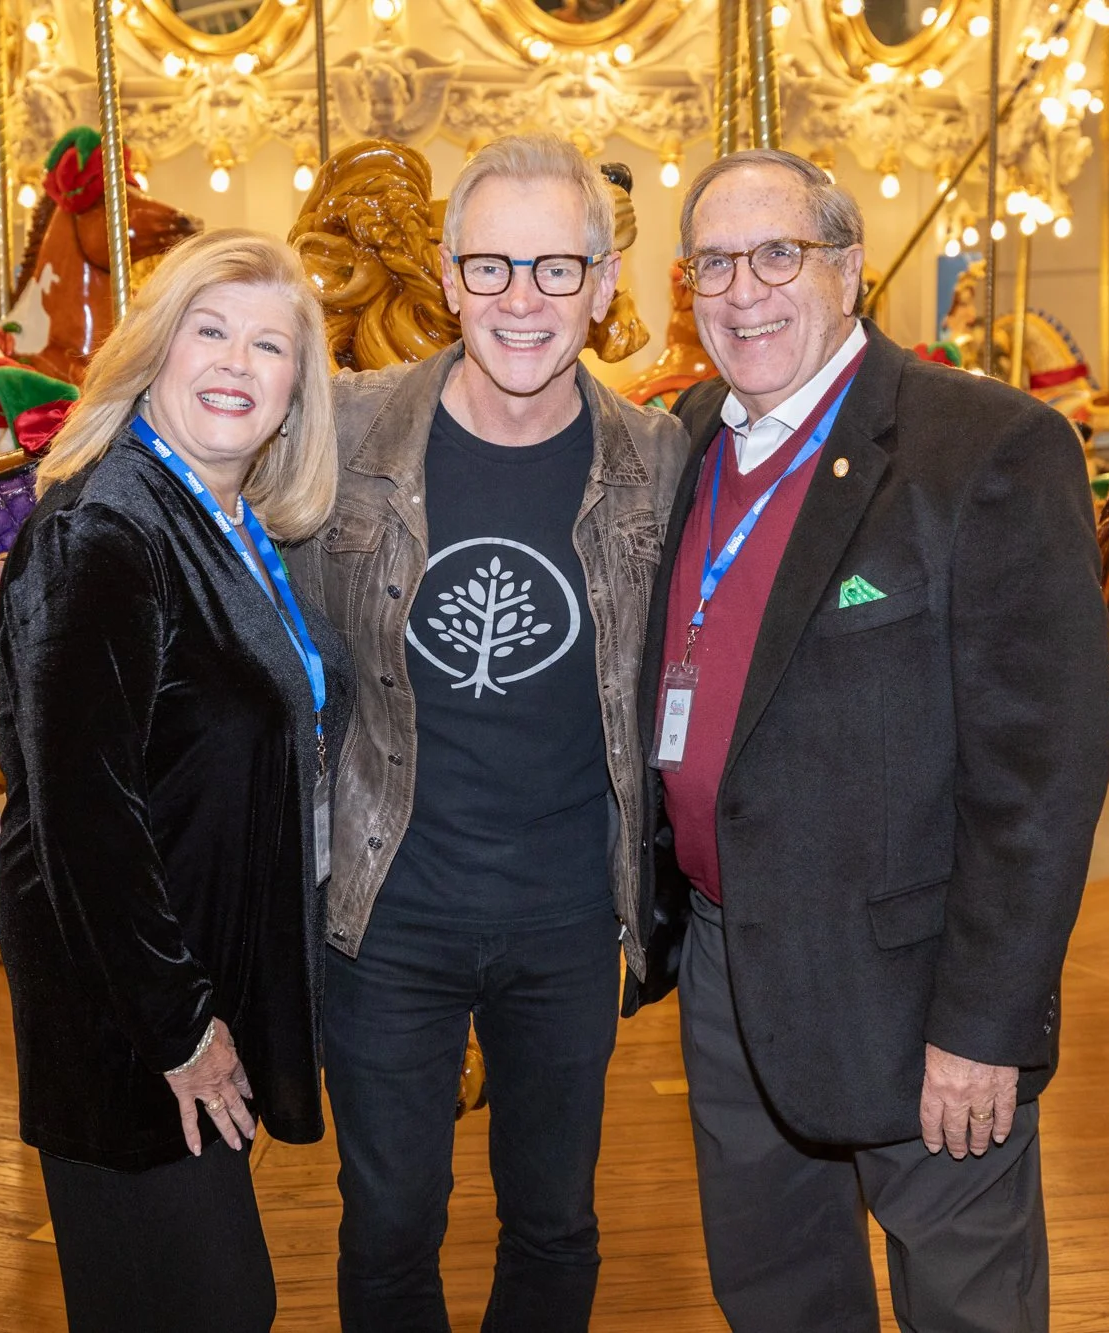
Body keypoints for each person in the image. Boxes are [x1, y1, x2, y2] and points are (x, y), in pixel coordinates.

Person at [634, 149, 1109, 1330]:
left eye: (777, 254)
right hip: (725, 966)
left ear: (848, 269)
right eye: (713, 264)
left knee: (967, 1311)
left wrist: (983, 1026)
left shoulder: (984, 448)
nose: (742, 291)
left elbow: (1037, 781)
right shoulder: (681, 435)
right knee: (776, 1300)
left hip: (914, 999)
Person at [298, 134, 687, 1332]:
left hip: (569, 918)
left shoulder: (658, 459)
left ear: (604, 283)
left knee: (555, 1223)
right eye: (491, 267)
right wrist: (36, 557)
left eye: (556, 269)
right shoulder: (345, 433)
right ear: (450, 276)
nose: (522, 300)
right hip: (385, 906)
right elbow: (181, 501)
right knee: (389, 1226)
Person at [0, 229, 350, 1332]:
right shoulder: (111, 525)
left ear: (296, 392)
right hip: (128, 1013)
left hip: (187, 987)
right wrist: (183, 1027)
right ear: (156, 352)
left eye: (269, 346)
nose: (237, 364)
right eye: (209, 331)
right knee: (209, 1301)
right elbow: (84, 816)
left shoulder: (223, 521)